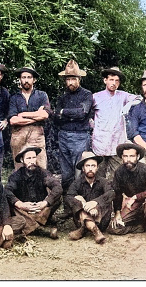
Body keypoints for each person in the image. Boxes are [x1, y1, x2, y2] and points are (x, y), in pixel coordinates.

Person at [54, 60, 94, 216]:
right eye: (68, 79)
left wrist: (64, 112)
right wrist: (66, 113)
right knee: (66, 175)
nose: (70, 82)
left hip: (80, 136)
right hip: (63, 136)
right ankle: (67, 208)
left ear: (79, 79)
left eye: (73, 79)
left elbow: (82, 113)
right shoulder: (62, 97)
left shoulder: (87, 94)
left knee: (80, 173)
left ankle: (80, 209)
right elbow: (56, 117)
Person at [107, 141, 146, 243]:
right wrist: (117, 213)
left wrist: (136, 197)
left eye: (132, 156)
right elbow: (117, 193)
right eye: (125, 156)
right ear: (121, 157)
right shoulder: (120, 171)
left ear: (137, 157)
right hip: (133, 205)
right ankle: (139, 227)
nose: (128, 159)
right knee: (114, 228)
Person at [92, 66, 140, 180]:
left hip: (117, 142)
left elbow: (139, 98)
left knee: (117, 175)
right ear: (105, 80)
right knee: (98, 176)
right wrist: (93, 126)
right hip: (100, 143)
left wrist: (129, 104)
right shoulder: (95, 97)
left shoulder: (122, 96)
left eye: (117, 80)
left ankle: (115, 197)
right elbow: (87, 113)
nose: (114, 83)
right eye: (111, 79)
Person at [4, 146, 62, 239]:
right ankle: (40, 228)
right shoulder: (16, 176)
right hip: (24, 210)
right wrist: (20, 204)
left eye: (34, 157)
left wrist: (45, 203)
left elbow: (57, 187)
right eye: (28, 158)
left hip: (41, 208)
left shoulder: (43, 173)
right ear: (22, 160)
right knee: (9, 203)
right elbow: (7, 191)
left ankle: (31, 225)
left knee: (57, 199)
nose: (32, 161)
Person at [66, 151, 115, 244]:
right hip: (81, 219)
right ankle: (95, 231)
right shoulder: (77, 183)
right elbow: (68, 197)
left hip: (101, 221)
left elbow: (111, 193)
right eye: (87, 166)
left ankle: (84, 229)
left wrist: (95, 203)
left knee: (106, 201)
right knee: (77, 200)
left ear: (97, 168)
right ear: (83, 168)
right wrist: (84, 205)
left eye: (93, 166)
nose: (90, 169)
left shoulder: (103, 181)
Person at [8, 66, 51, 171]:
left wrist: (23, 114)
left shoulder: (41, 95)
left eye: (29, 77)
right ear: (20, 79)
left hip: (37, 135)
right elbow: (13, 120)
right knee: (19, 168)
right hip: (18, 135)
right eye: (23, 77)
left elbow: (45, 115)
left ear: (34, 80)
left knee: (41, 167)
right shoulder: (14, 98)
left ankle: (41, 188)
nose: (26, 80)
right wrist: (36, 116)